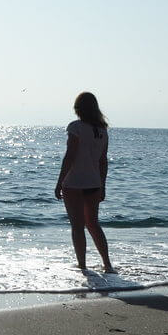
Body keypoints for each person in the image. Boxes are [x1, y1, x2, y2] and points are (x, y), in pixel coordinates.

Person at [54, 92, 114, 273]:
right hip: (94, 183)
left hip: (74, 182)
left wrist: (59, 182)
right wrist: (103, 185)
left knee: (77, 226)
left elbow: (70, 156)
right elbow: (103, 161)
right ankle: (107, 264)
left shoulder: (76, 127)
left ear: (78, 108)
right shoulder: (102, 131)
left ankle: (82, 265)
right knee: (93, 224)